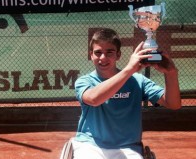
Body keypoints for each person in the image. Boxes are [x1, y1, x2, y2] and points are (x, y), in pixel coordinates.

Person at [72, 28, 181, 159]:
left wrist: (171, 74)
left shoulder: (137, 81)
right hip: (91, 145)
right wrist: (129, 69)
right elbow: (94, 99)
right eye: (98, 52)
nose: (103, 57)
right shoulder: (84, 81)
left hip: (128, 147)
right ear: (91, 55)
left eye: (109, 52)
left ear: (118, 55)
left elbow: (173, 104)